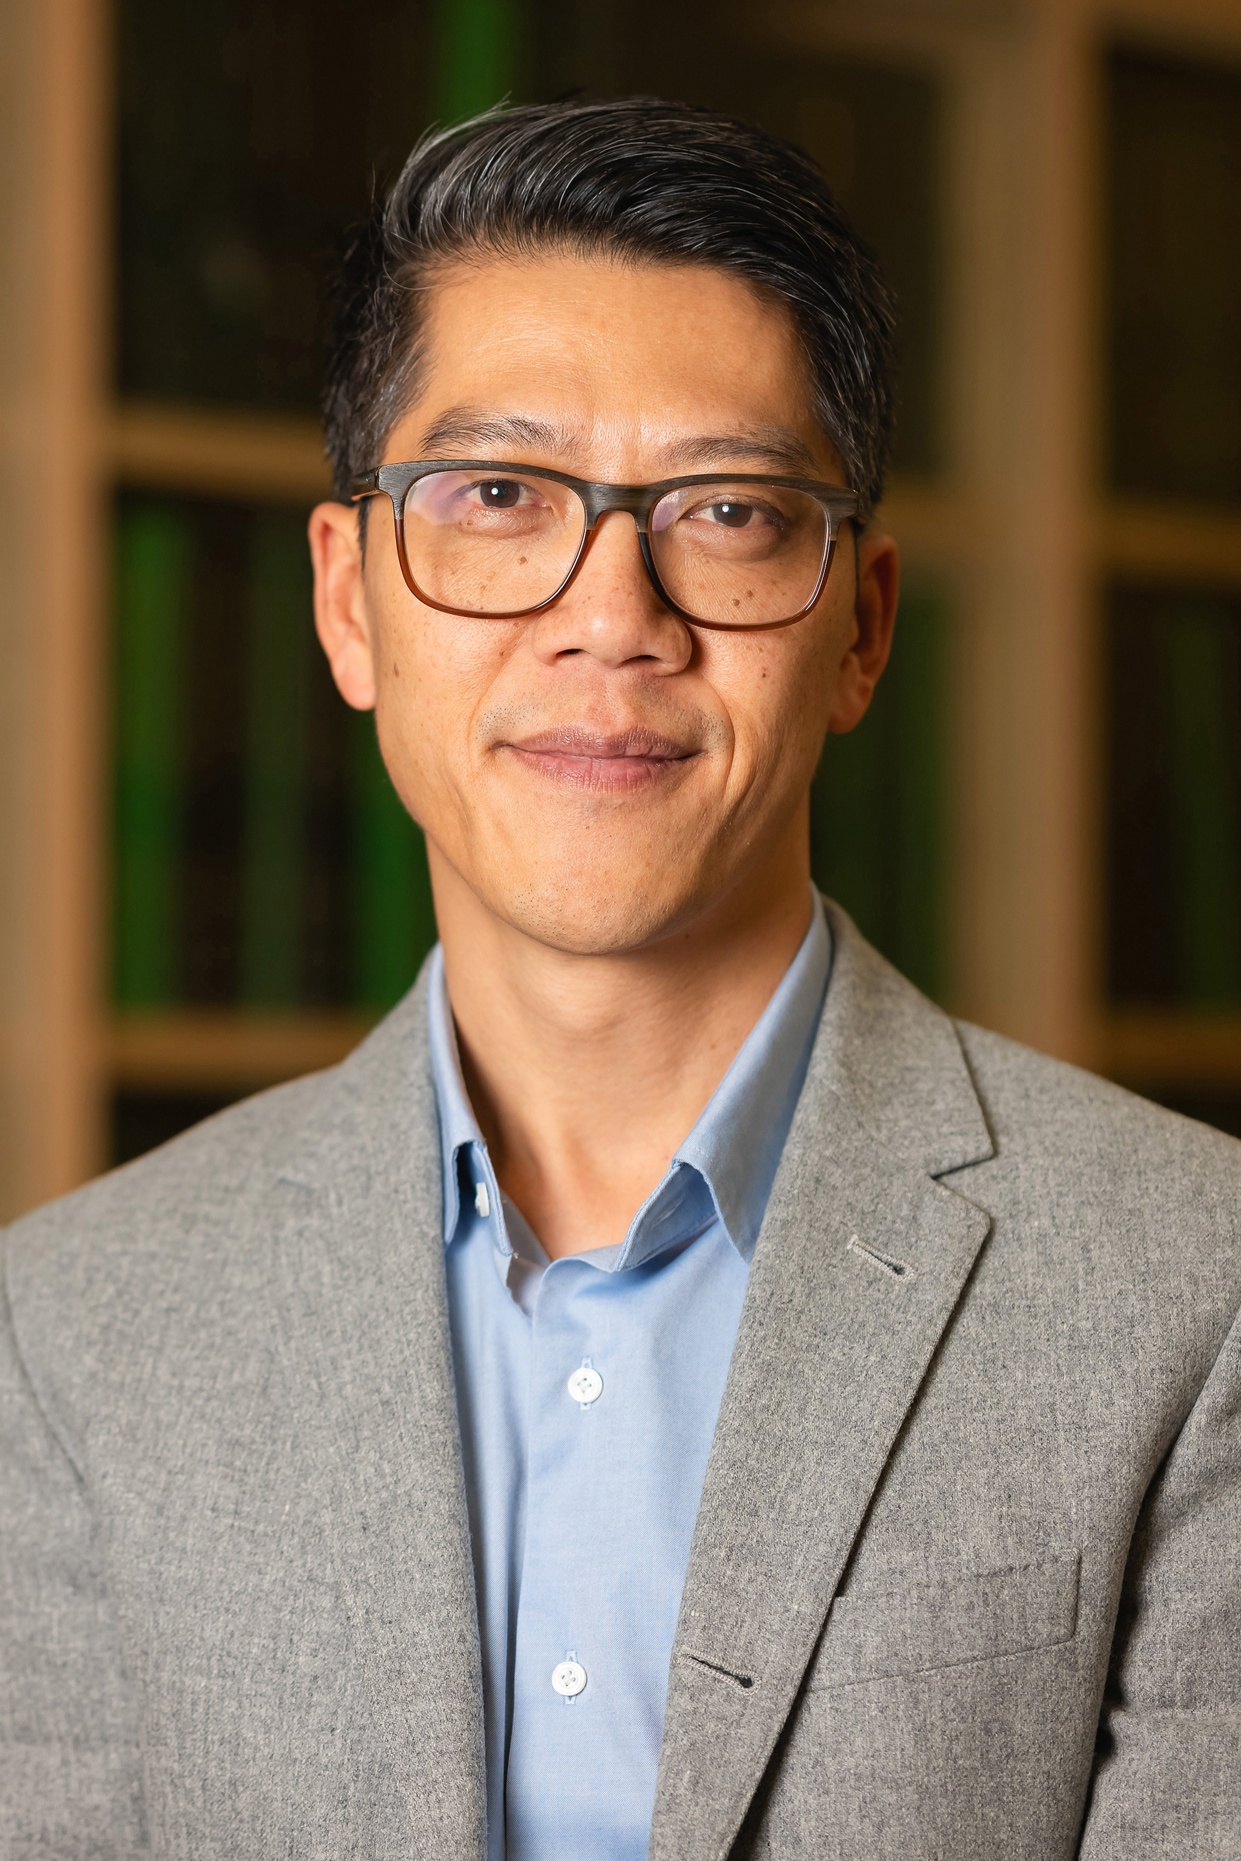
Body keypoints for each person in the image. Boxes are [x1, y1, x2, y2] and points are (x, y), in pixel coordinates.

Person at [2, 98, 1239, 1861]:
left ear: (861, 627)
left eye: (726, 511)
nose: (612, 614)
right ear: (350, 605)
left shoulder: (1198, 1291)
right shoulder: (67, 1333)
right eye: (498, 497)